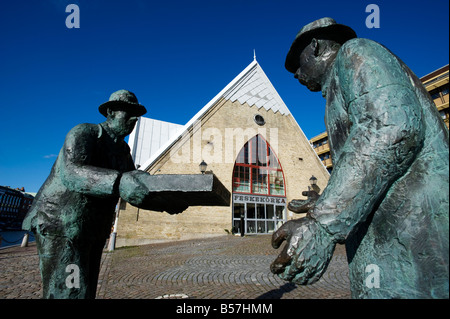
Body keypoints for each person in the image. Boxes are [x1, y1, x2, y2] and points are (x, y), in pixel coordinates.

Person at [271, 18, 449, 298]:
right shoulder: (335, 90)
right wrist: (328, 196)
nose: (296, 74)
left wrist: (323, 223)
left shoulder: (356, 52)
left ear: (315, 47)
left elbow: (392, 127)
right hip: (392, 248)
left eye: (298, 63)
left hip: (416, 240)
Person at [22, 89, 151, 298]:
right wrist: (122, 180)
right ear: (110, 112)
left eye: (136, 114)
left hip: (91, 229)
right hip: (60, 225)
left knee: (86, 288)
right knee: (70, 289)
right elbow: (74, 173)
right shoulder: (84, 133)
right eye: (128, 112)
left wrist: (165, 201)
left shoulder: (123, 151)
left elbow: (133, 188)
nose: (134, 118)